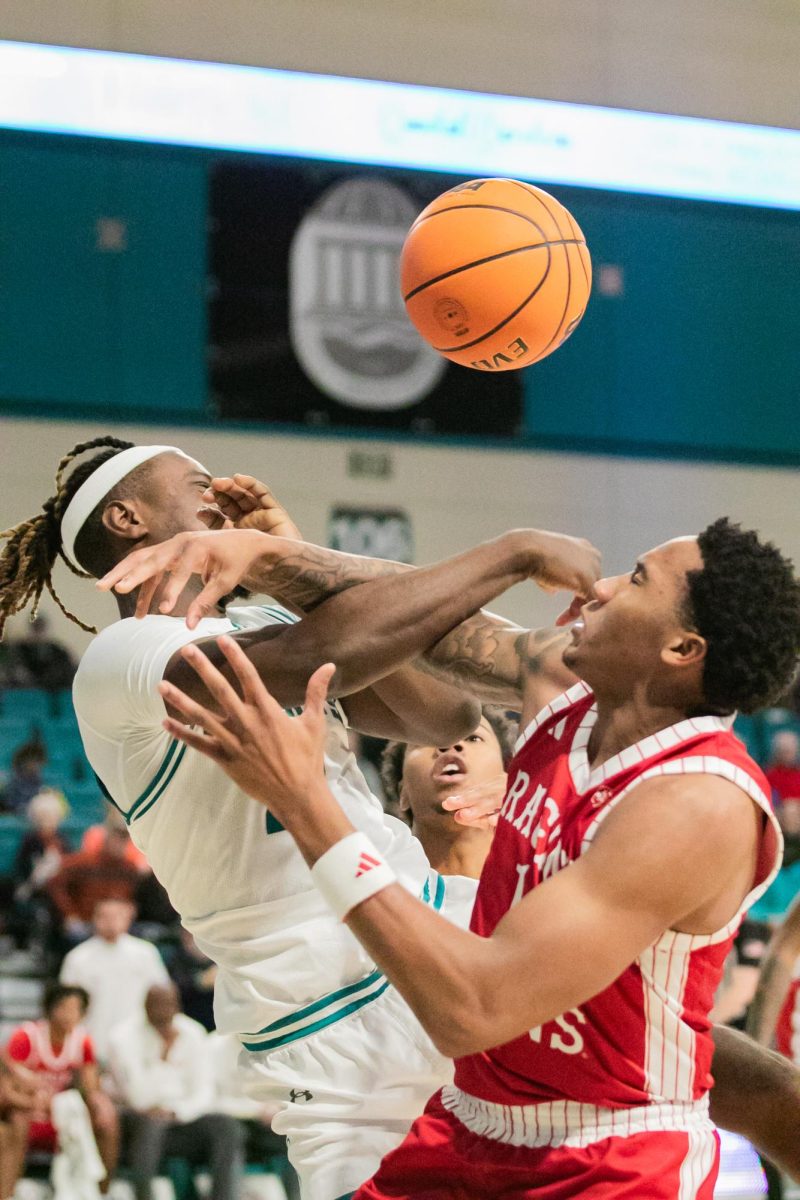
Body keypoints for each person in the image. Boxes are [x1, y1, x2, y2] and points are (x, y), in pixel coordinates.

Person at [0, 437, 601, 1200]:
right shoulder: (125, 658)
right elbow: (331, 647)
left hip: (418, 933)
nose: (217, 496)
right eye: (194, 485)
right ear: (127, 516)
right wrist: (511, 552)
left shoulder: (258, 619)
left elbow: (441, 713)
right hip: (325, 1011)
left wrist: (286, 557)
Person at [158, 516, 800, 1199]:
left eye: (636, 580)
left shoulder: (694, 804)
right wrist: (267, 553)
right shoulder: (567, 687)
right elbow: (434, 620)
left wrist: (304, 801)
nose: (604, 588)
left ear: (681, 647)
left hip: (606, 1159)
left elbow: (474, 1010)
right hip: (471, 1123)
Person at [108, 983, 244, 1200]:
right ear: (144, 1006)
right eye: (157, 1005)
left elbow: (204, 1092)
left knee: (225, 1126)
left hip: (182, 1118)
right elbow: (137, 1097)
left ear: (178, 1006)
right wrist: (164, 1054)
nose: (163, 1011)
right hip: (137, 1122)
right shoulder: (122, 1038)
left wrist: (177, 1112)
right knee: (151, 1124)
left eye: (169, 1005)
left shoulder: (193, 1033)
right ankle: (144, 1195)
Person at [3, 983, 118, 1192]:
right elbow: (6, 1089)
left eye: (75, 1010)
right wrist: (32, 1100)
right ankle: (7, 1190)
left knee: (106, 1120)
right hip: (26, 1109)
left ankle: (100, 1191)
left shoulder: (82, 1041)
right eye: (63, 1008)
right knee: (17, 1121)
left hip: (61, 1113)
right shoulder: (26, 1037)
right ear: (50, 1009)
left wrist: (100, 1107)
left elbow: (91, 1089)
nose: (69, 1015)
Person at [60, 898, 170, 1060]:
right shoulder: (78, 958)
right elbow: (68, 1005)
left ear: (128, 918)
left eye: (117, 916)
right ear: (94, 919)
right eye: (104, 916)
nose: (111, 922)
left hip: (138, 1041)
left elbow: (161, 995)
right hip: (94, 1040)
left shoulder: (146, 953)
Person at [47, 823, 141, 948]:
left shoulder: (129, 868)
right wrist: (69, 913)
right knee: (77, 935)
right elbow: (56, 884)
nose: (119, 844)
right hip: (85, 921)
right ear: (107, 839)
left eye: (123, 840)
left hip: (118, 923)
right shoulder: (84, 862)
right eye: (116, 838)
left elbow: (133, 898)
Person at [14, 613, 77, 692]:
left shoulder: (58, 651)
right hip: (26, 691)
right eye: (36, 628)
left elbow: (70, 670)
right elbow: (17, 671)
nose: (38, 633)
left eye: (41, 628)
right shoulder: (20, 650)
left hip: (54, 691)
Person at [1, 740, 47, 815]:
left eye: (37, 762)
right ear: (23, 762)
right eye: (32, 761)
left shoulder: (39, 781)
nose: (34, 765)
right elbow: (10, 803)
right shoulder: (13, 780)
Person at [766, 730, 800, 807]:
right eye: (784, 751)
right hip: (783, 811)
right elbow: (772, 801)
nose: (787, 756)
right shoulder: (771, 775)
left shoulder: (798, 771)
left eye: (790, 751)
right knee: (790, 808)